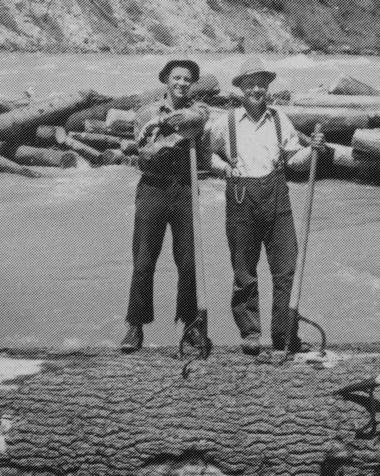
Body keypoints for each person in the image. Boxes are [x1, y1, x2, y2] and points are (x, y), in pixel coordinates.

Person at [208, 57, 325, 356]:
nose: (256, 90)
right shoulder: (225, 122)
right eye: (250, 84)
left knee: (287, 268)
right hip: (241, 197)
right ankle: (250, 333)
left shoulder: (279, 119)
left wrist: (312, 151)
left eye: (261, 84)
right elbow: (207, 154)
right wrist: (224, 168)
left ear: (268, 87)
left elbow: (295, 161)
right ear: (241, 88)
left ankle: (284, 335)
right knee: (244, 271)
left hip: (277, 196)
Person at [119, 59, 210, 353]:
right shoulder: (147, 112)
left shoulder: (199, 109)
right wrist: (176, 137)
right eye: (176, 78)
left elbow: (199, 118)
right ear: (166, 80)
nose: (182, 83)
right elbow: (145, 152)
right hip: (153, 188)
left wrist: (182, 124)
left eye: (187, 79)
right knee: (144, 260)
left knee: (189, 261)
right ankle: (135, 326)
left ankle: (190, 324)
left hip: (185, 188)